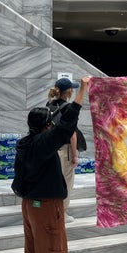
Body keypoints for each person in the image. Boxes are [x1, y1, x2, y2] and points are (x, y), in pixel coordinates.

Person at [13, 77, 91, 253]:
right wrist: (83, 91)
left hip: (29, 206)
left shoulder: (25, 143)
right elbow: (66, 126)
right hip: (47, 207)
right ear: (47, 126)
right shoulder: (44, 143)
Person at [45, 78, 82, 224]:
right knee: (66, 181)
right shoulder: (68, 108)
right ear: (69, 92)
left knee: (52, 180)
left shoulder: (49, 104)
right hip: (64, 149)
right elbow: (72, 134)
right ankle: (62, 212)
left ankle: (51, 210)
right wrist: (75, 155)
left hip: (50, 148)